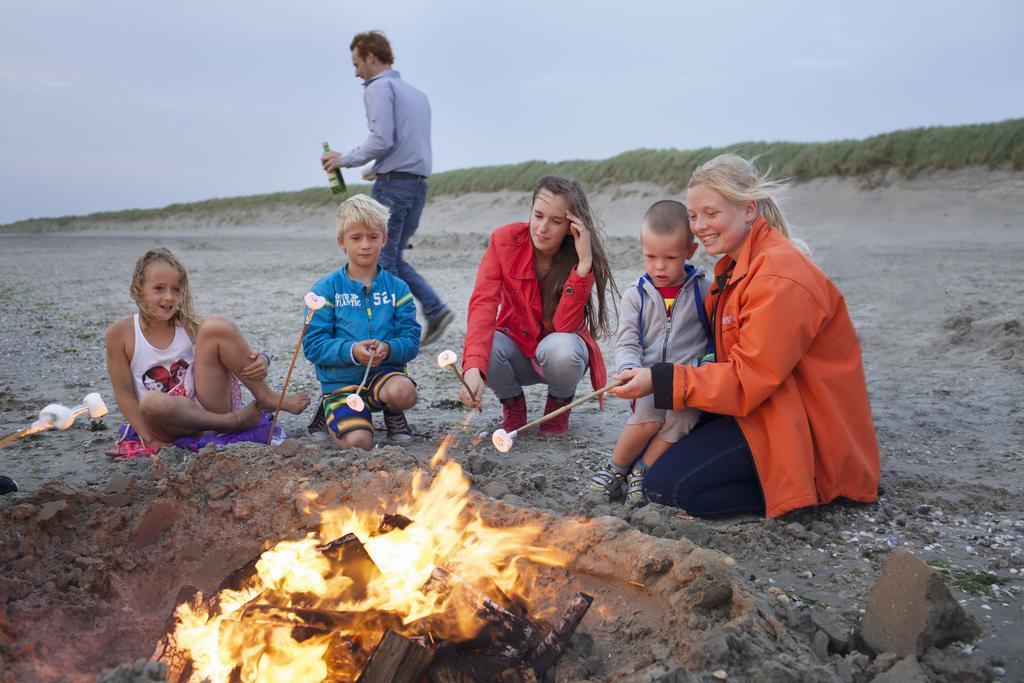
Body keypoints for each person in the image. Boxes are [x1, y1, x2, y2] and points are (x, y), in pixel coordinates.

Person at [612, 154, 880, 518]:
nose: (700, 226)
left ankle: (806, 489)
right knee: (662, 448)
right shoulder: (737, 266)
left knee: (665, 487)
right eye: (693, 216)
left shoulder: (777, 276)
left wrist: (660, 379)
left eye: (711, 213)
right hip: (764, 409)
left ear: (749, 209)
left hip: (801, 431)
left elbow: (748, 379)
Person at [320, 30, 453, 347]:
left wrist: (345, 160)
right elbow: (405, 142)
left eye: (356, 64)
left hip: (394, 188)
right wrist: (375, 168)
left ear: (370, 56)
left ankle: (411, 321)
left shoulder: (378, 88)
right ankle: (434, 310)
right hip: (417, 186)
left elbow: (382, 139)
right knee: (391, 257)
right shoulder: (415, 94)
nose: (356, 73)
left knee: (382, 261)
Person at [459, 176, 618, 435]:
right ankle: (513, 405)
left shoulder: (578, 255)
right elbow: (483, 304)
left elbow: (564, 326)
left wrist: (584, 265)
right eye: (538, 216)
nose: (543, 228)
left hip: (559, 355)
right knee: (487, 347)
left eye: (555, 221)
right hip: (516, 349)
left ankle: (558, 406)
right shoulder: (504, 241)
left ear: (571, 226)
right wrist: (473, 368)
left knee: (561, 347)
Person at [105, 248, 310, 448]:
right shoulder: (120, 334)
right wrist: (147, 437)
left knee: (216, 325)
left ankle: (265, 397)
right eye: (159, 288)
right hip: (164, 422)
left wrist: (263, 359)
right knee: (151, 402)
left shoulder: (187, 326)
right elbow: (124, 396)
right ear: (138, 290)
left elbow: (230, 352)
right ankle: (232, 422)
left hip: (206, 409)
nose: (169, 297)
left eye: (175, 289)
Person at [589, 200, 712, 505]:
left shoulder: (703, 290)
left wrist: (705, 365)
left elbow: (714, 338)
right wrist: (629, 367)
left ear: (690, 251)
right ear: (642, 247)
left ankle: (642, 471)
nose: (659, 267)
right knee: (647, 418)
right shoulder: (636, 296)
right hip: (646, 379)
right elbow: (628, 340)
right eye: (651, 256)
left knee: (681, 421)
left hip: (687, 381)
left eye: (670, 258)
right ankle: (616, 468)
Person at [303, 194, 421, 450]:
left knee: (404, 392)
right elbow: (313, 345)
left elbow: (411, 340)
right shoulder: (325, 290)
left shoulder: (398, 289)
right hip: (341, 384)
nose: (365, 245)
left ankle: (392, 411)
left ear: (384, 239)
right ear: (342, 242)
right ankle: (329, 408)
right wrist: (352, 351)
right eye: (356, 238)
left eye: (372, 237)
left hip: (384, 376)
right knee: (359, 443)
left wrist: (389, 348)